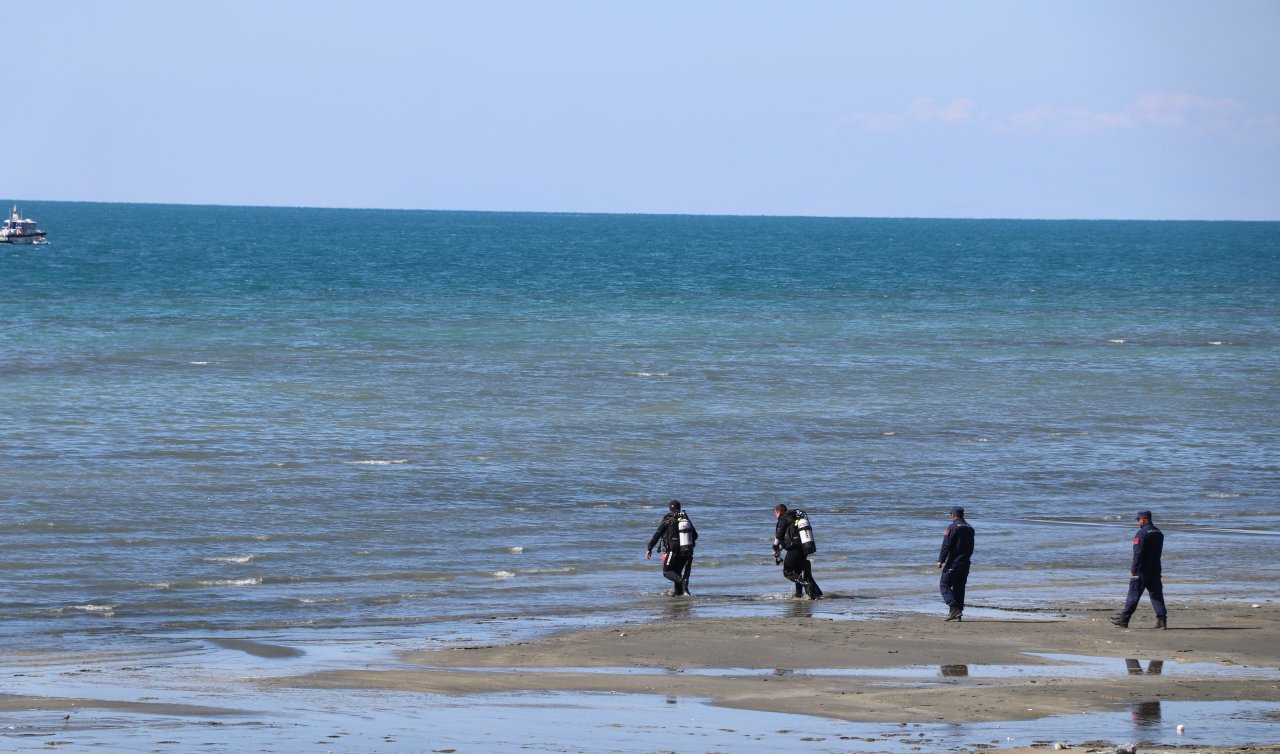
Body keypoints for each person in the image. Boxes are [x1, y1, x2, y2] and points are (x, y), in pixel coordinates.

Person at [1110, 510, 1167, 629]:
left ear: (1143, 519)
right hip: (1156, 568)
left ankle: (1124, 619)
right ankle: (1162, 621)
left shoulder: (1141, 533)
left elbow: (1138, 553)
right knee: (1156, 595)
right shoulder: (1159, 532)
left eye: (1138, 520)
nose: (1138, 522)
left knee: (1133, 594)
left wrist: (1134, 568)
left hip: (1142, 570)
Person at [646, 500, 698, 596]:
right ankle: (678, 596)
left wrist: (649, 548)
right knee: (676, 573)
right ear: (679, 508)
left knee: (667, 572)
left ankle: (683, 582)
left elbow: (658, 534)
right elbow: (695, 535)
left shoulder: (668, 519)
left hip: (673, 551)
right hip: (686, 552)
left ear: (670, 508)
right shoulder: (685, 519)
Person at [773, 504, 822, 599]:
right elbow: (788, 536)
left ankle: (806, 584)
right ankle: (798, 595)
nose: (776, 515)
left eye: (775, 513)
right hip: (804, 548)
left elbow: (779, 534)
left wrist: (775, 546)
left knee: (787, 572)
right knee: (797, 573)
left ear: (778, 512)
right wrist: (779, 549)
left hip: (794, 549)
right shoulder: (794, 519)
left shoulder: (783, 519)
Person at [937, 505, 975, 622]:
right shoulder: (970, 527)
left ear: (953, 515)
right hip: (965, 562)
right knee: (959, 587)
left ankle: (954, 608)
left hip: (954, 562)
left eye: (951, 515)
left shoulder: (953, 527)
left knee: (944, 585)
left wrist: (941, 560)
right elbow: (971, 547)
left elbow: (946, 545)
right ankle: (958, 613)